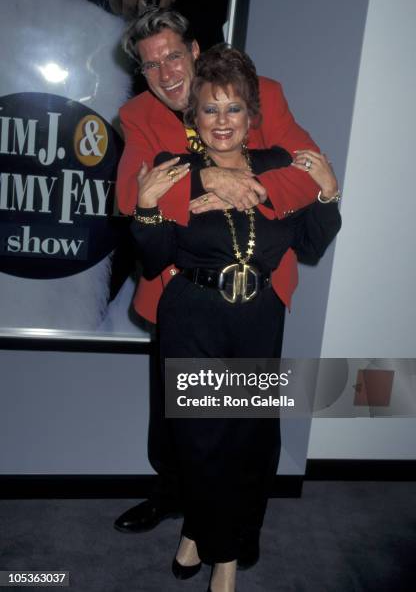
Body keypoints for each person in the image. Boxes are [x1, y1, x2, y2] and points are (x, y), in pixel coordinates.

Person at [129, 43, 341, 592]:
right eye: (209, 110)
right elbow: (153, 258)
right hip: (193, 318)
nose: (222, 121)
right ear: (194, 120)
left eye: (234, 109)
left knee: (243, 440)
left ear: (251, 117)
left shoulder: (278, 169)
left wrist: (328, 194)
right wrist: (148, 210)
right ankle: (222, 558)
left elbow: (313, 242)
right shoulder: (174, 171)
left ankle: (201, 537)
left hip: (257, 319)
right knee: (200, 440)